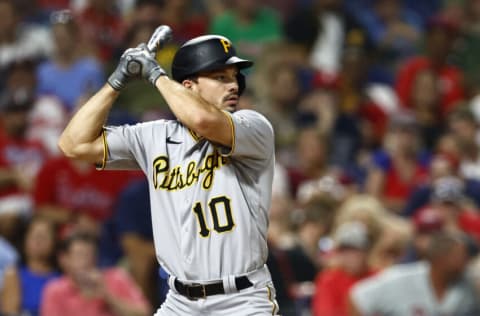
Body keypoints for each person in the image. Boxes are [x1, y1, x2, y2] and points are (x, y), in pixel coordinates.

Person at [57, 27, 279, 315]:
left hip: (242, 298)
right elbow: (73, 143)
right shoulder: (154, 136)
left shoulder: (253, 126)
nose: (234, 85)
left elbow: (202, 119)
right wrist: (118, 79)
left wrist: (154, 74)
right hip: (180, 301)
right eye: (220, 78)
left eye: (234, 77)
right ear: (188, 86)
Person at [349, 231, 480, 316]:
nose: (466, 261)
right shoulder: (401, 278)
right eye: (460, 256)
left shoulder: (468, 283)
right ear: (441, 258)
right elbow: (358, 297)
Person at [40, 232, 150, 316]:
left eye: (90, 254)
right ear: (64, 259)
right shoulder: (55, 290)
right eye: (80, 255)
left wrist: (107, 296)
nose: (86, 261)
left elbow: (144, 313)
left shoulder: (116, 277)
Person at [0, 216, 60, 316]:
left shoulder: (63, 277)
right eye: (34, 236)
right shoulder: (13, 274)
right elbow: (10, 312)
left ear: (54, 242)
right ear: (25, 240)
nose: (38, 241)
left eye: (44, 237)